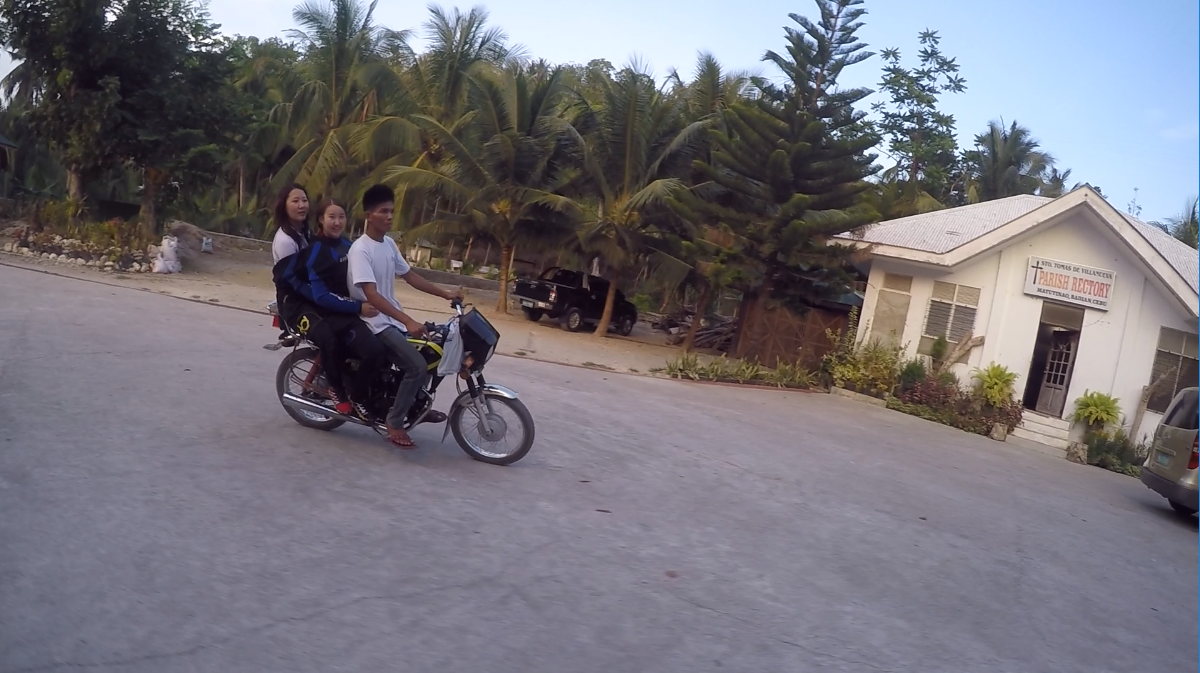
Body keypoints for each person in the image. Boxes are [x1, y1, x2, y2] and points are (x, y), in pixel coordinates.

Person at [348, 184, 461, 448]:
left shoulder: (388, 244)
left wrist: (445, 294)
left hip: (390, 319)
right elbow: (372, 295)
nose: (389, 216)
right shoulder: (360, 250)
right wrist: (407, 320)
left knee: (433, 353)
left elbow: (410, 276)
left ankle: (411, 404)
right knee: (417, 366)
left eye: (391, 211)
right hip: (374, 323)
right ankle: (395, 421)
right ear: (369, 215)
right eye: (383, 211)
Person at [274, 198, 382, 415]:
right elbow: (321, 296)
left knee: (377, 349)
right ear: (321, 220)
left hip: (337, 305)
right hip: (310, 306)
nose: (337, 222)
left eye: (341, 217)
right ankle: (338, 389)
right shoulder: (315, 250)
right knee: (330, 340)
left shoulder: (349, 246)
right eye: (331, 217)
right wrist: (358, 307)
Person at [271, 184, 311, 264]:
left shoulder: (305, 232)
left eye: (304, 200)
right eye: (295, 201)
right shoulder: (285, 241)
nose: (302, 205)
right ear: (283, 206)